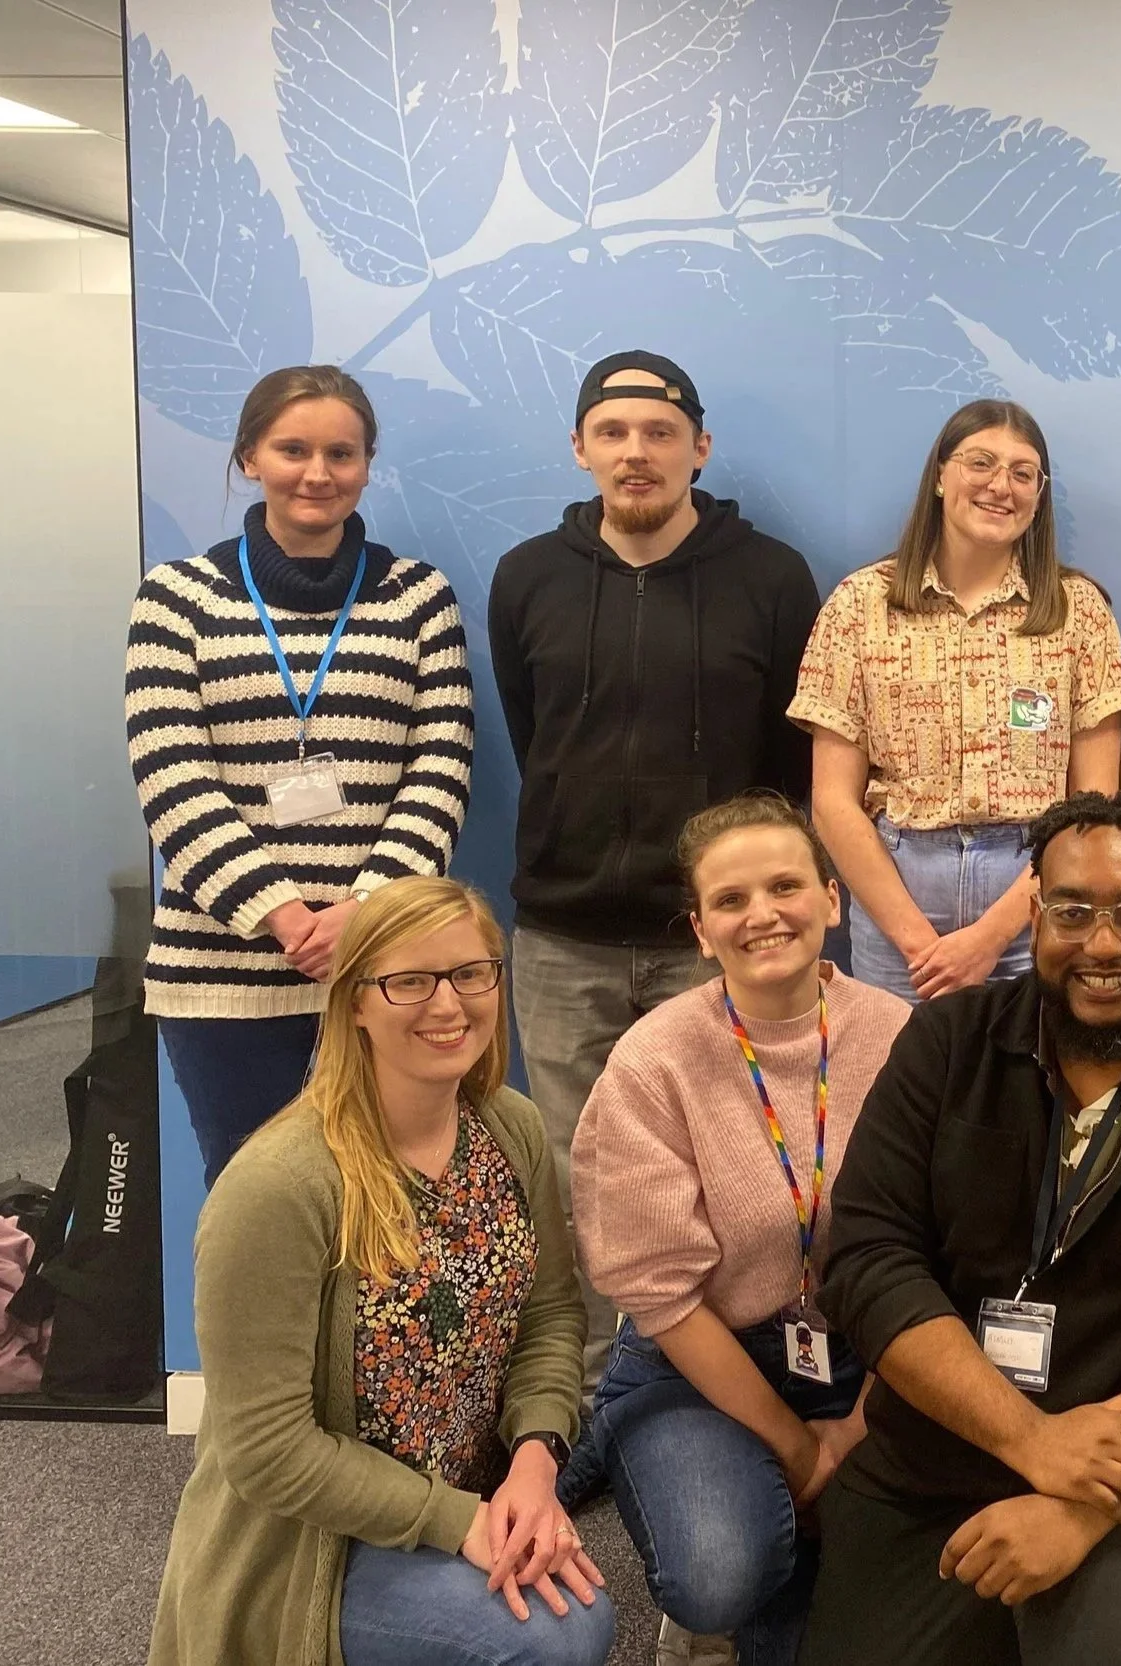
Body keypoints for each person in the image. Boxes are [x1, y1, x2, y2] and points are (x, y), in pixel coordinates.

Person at [799, 791, 1121, 1666]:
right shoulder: (943, 1046)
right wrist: (1030, 1441)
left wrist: (1086, 1501)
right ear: (1034, 918)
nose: (1103, 945)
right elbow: (870, 1262)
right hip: (939, 1460)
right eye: (1072, 912)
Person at [148, 877, 611, 1666]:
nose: (448, 1003)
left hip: (478, 1491)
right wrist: (457, 1521)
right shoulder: (279, 1186)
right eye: (410, 981)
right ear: (354, 1001)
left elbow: (551, 1317)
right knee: (556, 1638)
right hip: (319, 1543)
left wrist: (536, 1461)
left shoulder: (512, 1127)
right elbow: (268, 1451)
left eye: (470, 973)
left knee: (579, 1617)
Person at [488, 349, 822, 1382]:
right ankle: (592, 1383)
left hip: (714, 941)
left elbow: (786, 772)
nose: (637, 452)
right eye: (614, 432)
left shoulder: (771, 578)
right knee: (574, 1169)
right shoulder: (526, 577)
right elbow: (531, 735)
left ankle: (717, 1379)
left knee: (730, 1164)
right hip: (564, 938)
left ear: (699, 448)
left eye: (660, 432)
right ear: (581, 448)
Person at [560, 793, 911, 1665]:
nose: (762, 914)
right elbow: (664, 1299)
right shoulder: (654, 1061)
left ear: (832, 899)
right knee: (719, 1567)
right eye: (730, 900)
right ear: (701, 932)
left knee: (919, 1575)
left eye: (785, 886)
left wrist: (855, 1432)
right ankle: (708, 1551)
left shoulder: (903, 1037)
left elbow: (938, 1249)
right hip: (700, 1358)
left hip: (875, 1352)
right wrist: (800, 1452)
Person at [127, 365, 474, 1184]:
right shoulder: (176, 599)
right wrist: (284, 917)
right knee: (256, 1205)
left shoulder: (418, 598)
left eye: (341, 453)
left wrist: (364, 913)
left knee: (397, 1196)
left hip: (383, 969)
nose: (318, 473)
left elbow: (441, 768)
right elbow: (173, 780)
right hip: (223, 974)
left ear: (366, 465)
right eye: (293, 450)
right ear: (250, 457)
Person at [794, 399, 1121, 1006]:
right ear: (940, 475)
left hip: (1036, 896)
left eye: (1023, 473)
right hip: (896, 895)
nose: (1001, 486)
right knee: (902, 1064)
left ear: (1039, 495)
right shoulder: (859, 606)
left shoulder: (1078, 612)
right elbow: (832, 802)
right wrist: (915, 940)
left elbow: (1095, 802)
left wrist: (990, 938)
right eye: (981, 463)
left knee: (1032, 1064)